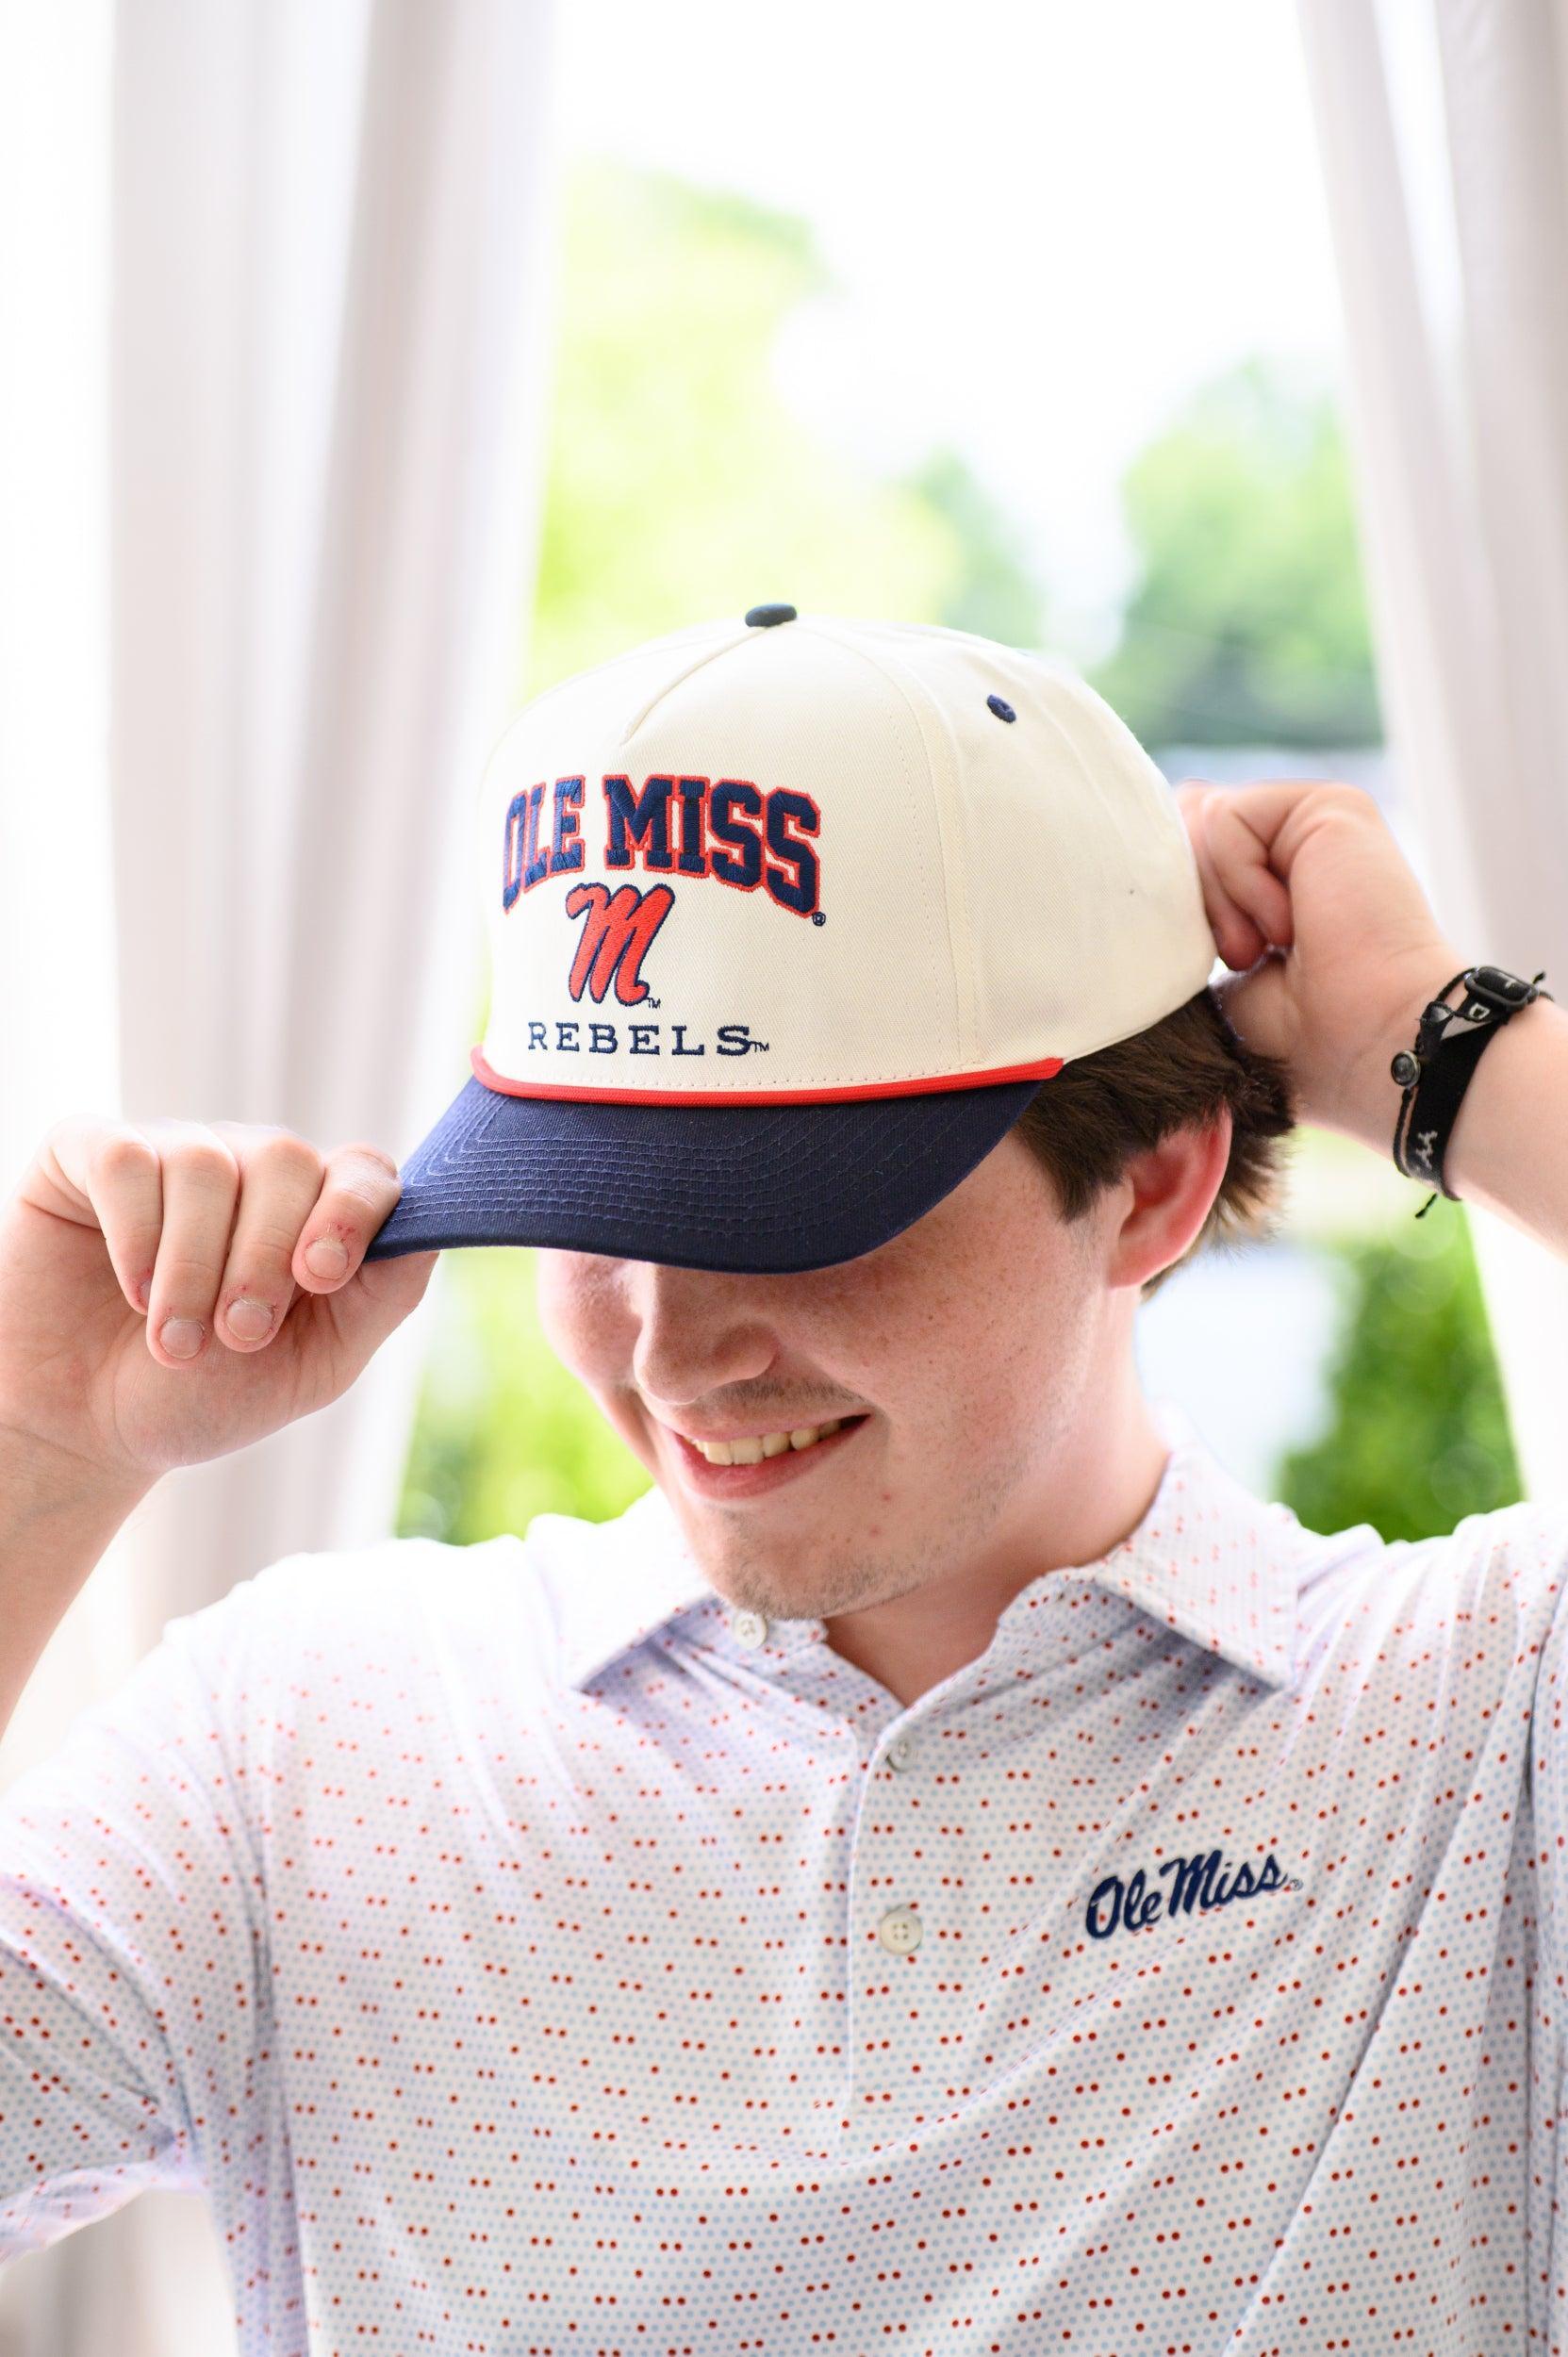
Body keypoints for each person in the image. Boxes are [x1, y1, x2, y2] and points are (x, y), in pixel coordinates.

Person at [2, 608, 1566, 2353]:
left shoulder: (1477, 1749)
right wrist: (36, 1449)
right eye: (588, 1212)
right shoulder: (303, 1741)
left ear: (1153, 1183)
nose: (671, 1352)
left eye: (781, 1220)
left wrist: (1439, 1051)